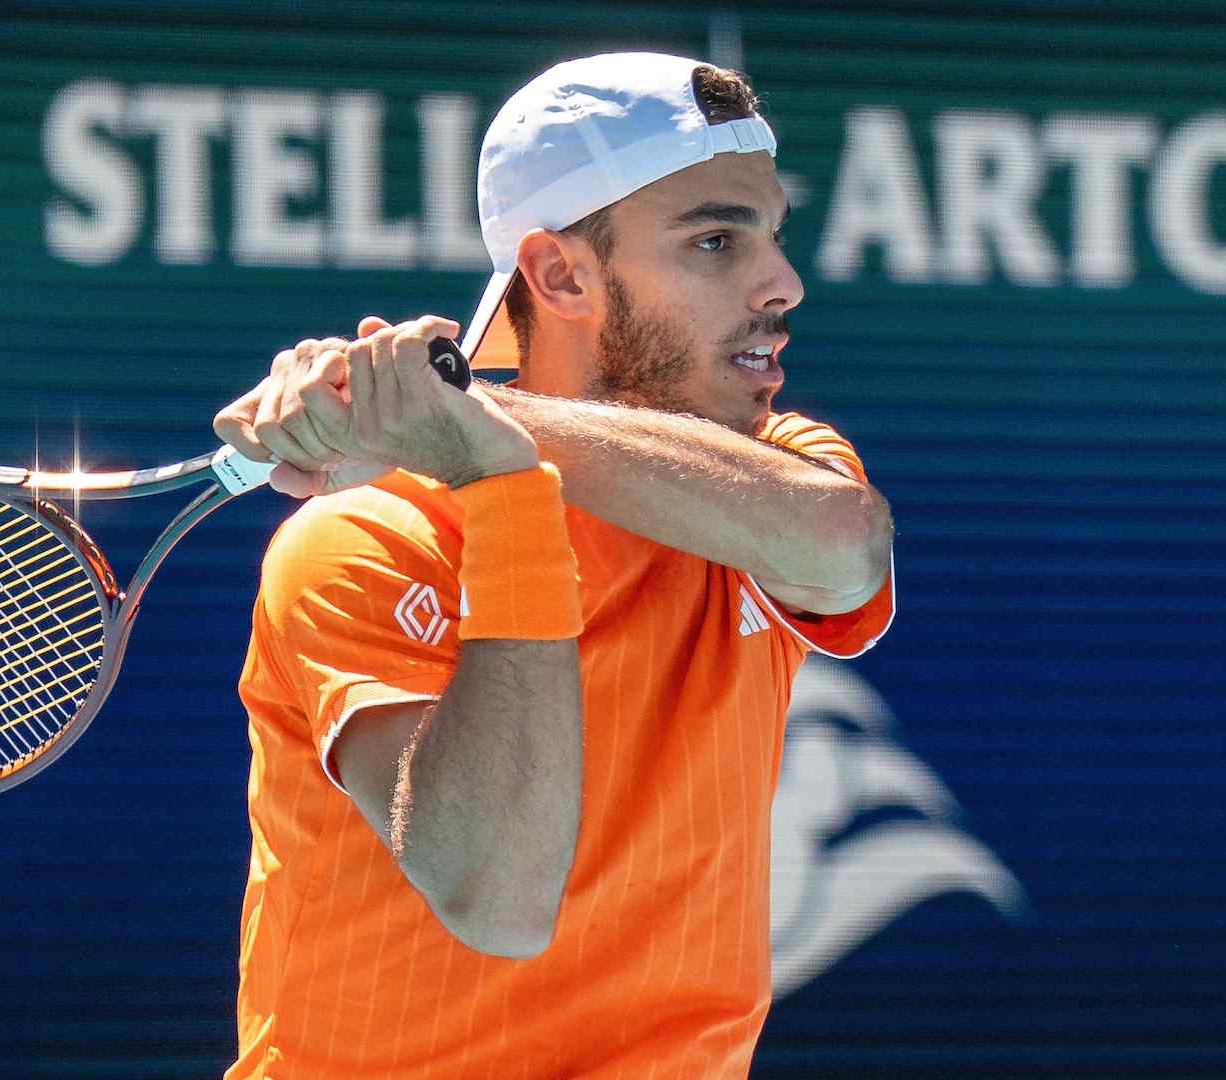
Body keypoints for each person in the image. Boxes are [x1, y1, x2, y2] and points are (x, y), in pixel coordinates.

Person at [211, 52, 895, 1078]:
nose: (783, 285)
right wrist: (496, 481)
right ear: (562, 275)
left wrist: (469, 421)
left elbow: (843, 549)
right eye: (717, 241)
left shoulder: (778, 470)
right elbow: (500, 901)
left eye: (774, 236)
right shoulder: (366, 542)